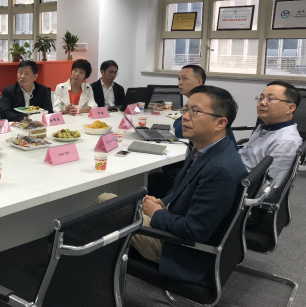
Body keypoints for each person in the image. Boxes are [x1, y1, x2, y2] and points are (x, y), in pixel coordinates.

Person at [97, 86, 248, 287]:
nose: (185, 117)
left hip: (179, 248)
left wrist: (157, 213)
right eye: (186, 110)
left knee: (104, 201)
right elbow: (183, 191)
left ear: (220, 123)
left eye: (196, 111)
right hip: (174, 223)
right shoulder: (208, 150)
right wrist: (161, 202)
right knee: (120, 202)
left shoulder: (219, 170)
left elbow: (194, 231)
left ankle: (95, 274)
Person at [148, 65, 237, 198]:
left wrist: (159, 209)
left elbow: (179, 129)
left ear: (199, 82)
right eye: (178, 79)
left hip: (212, 163)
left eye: (185, 79)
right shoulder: (199, 150)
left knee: (160, 176)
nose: (180, 83)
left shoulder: (219, 169)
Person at [240, 81, 303, 224]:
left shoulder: (285, 142)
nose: (262, 102)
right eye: (261, 98)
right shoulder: (266, 126)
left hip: (246, 202)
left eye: (271, 99)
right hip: (239, 175)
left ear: (290, 108)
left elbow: (268, 188)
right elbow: (246, 154)